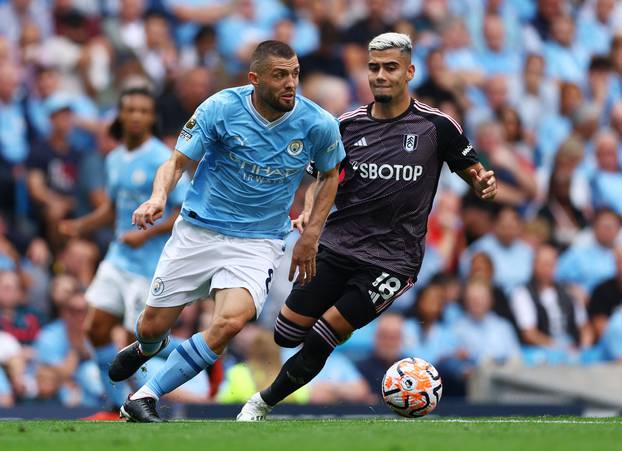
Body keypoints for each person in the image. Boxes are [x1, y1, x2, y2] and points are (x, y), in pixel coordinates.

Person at [236, 32, 497, 421]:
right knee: (286, 333)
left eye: (390, 67)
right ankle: (338, 325)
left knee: (325, 334)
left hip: (393, 260)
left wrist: (481, 182)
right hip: (339, 245)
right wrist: (309, 215)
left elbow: (473, 170)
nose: (380, 75)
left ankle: (261, 403)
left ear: (409, 71)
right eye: (373, 67)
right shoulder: (346, 126)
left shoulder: (437, 127)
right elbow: (322, 180)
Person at [109, 40, 345, 422]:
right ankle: (150, 345)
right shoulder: (221, 109)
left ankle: (144, 396)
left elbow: (329, 173)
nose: (291, 83)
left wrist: (310, 232)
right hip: (199, 231)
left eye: (295, 74)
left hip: (258, 240)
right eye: (280, 75)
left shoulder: (318, 123)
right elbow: (175, 163)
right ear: (255, 79)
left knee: (230, 322)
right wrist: (156, 198)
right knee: (151, 325)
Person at [58, 87, 185, 420]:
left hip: (149, 264)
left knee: (136, 344)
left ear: (151, 118)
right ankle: (113, 406)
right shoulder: (114, 158)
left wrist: (148, 235)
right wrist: (80, 226)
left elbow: (181, 210)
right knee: (96, 329)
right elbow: (113, 209)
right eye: (130, 109)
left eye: (144, 111)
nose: (136, 116)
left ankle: (177, 369)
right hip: (117, 257)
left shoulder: (162, 157)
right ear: (121, 115)